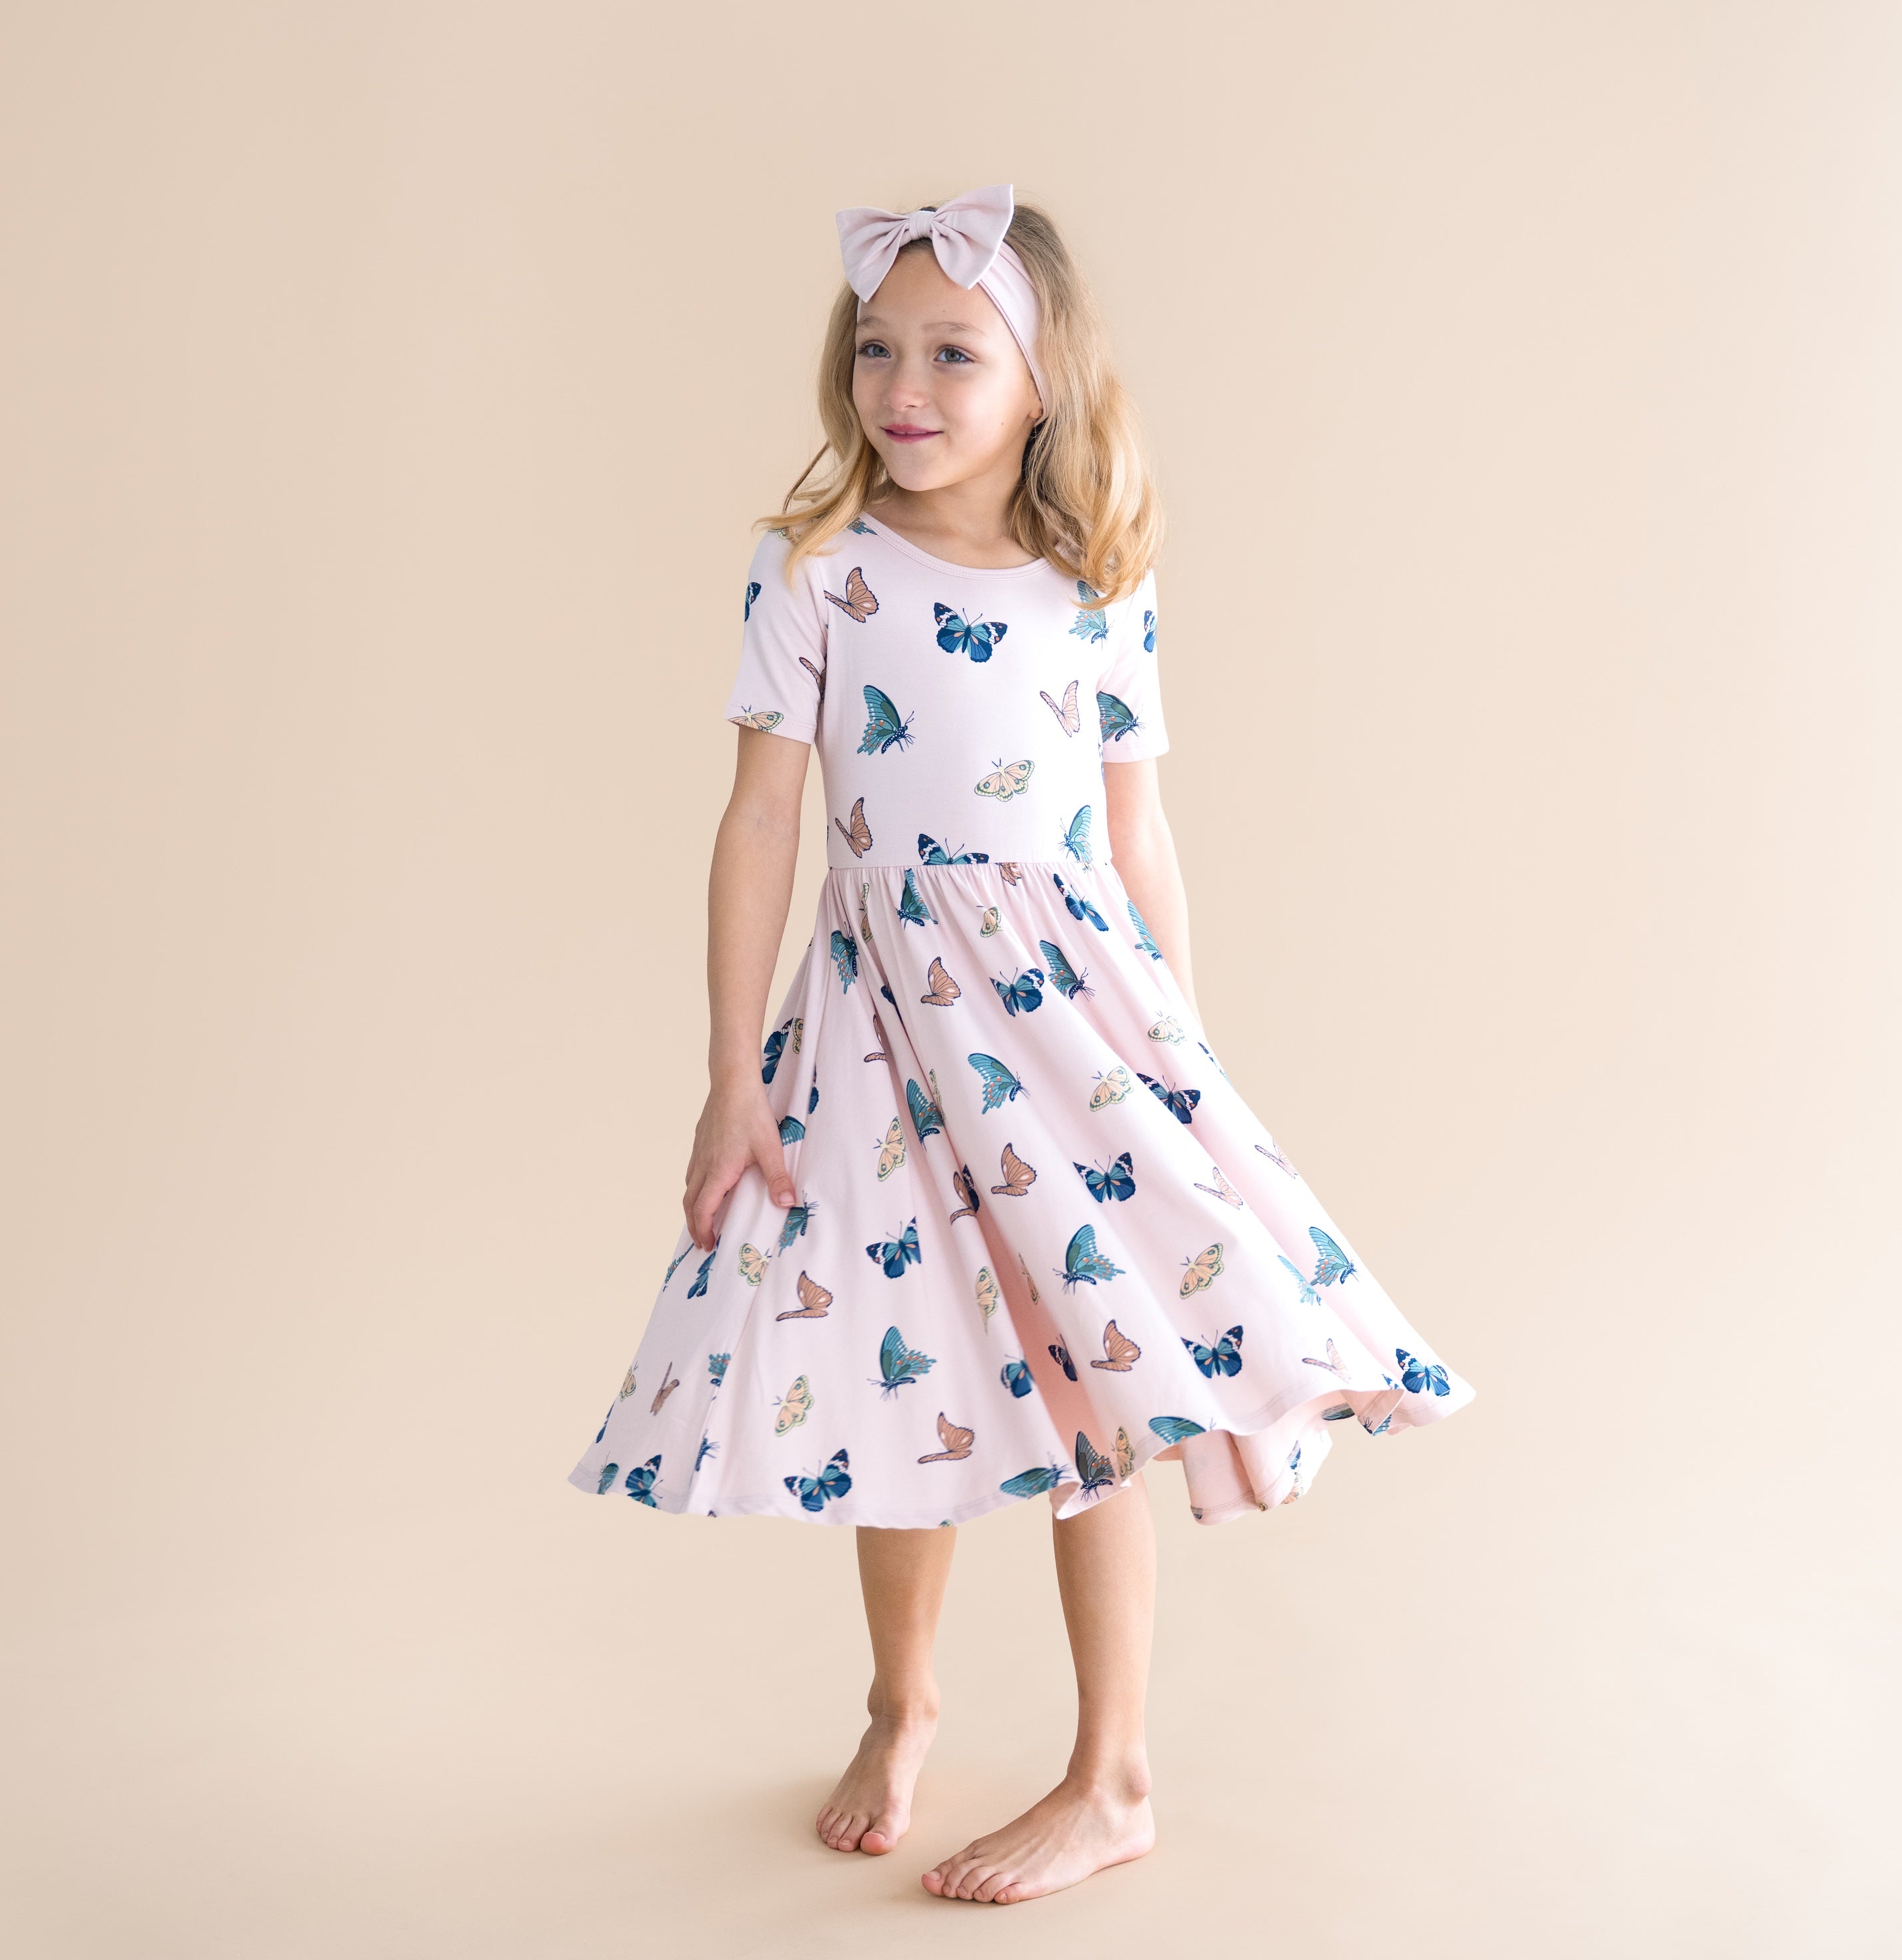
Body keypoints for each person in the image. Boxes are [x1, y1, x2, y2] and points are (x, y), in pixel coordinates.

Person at [570, 184, 1474, 1904]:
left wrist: (1180, 1061)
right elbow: (761, 822)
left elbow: (1139, 838)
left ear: (1044, 377)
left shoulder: (1097, 585)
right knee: (885, 1359)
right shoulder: (817, 574)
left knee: (1098, 1377)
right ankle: (900, 1702)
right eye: (877, 349)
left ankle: (1112, 1773)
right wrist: (726, 1073)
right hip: (874, 1021)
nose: (901, 384)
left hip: (1066, 1032)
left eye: (954, 352)